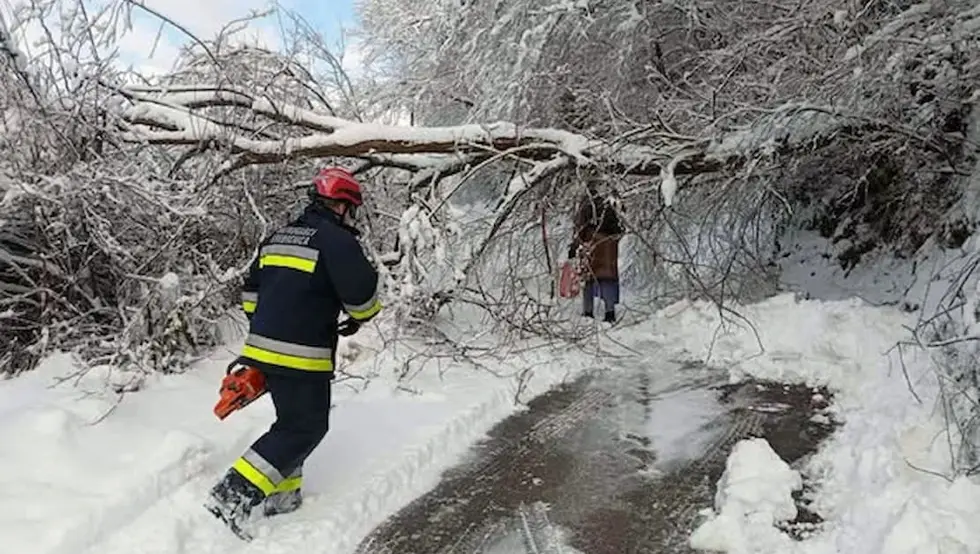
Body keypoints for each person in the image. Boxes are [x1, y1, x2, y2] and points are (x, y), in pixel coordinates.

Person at [204, 167, 383, 540]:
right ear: (342, 205)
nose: (352, 216)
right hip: (303, 355)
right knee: (305, 427)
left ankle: (283, 499)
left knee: (290, 421)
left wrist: (272, 327)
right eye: (351, 208)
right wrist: (357, 319)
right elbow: (364, 299)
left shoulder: (277, 237)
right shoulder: (337, 241)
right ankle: (230, 494)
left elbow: (250, 294)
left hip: (261, 349)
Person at [567, 182, 624, 323]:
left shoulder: (587, 205)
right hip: (610, 245)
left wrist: (574, 247)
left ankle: (588, 312)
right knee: (608, 278)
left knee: (589, 279)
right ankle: (609, 312)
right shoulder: (611, 201)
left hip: (592, 243)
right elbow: (621, 225)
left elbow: (581, 227)